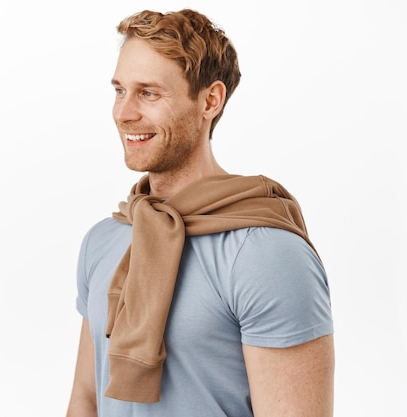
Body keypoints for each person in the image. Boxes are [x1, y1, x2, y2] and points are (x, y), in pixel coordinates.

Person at [65, 8, 334, 417]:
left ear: (210, 100)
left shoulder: (266, 254)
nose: (124, 112)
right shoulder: (106, 239)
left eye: (149, 93)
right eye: (120, 90)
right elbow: (86, 402)